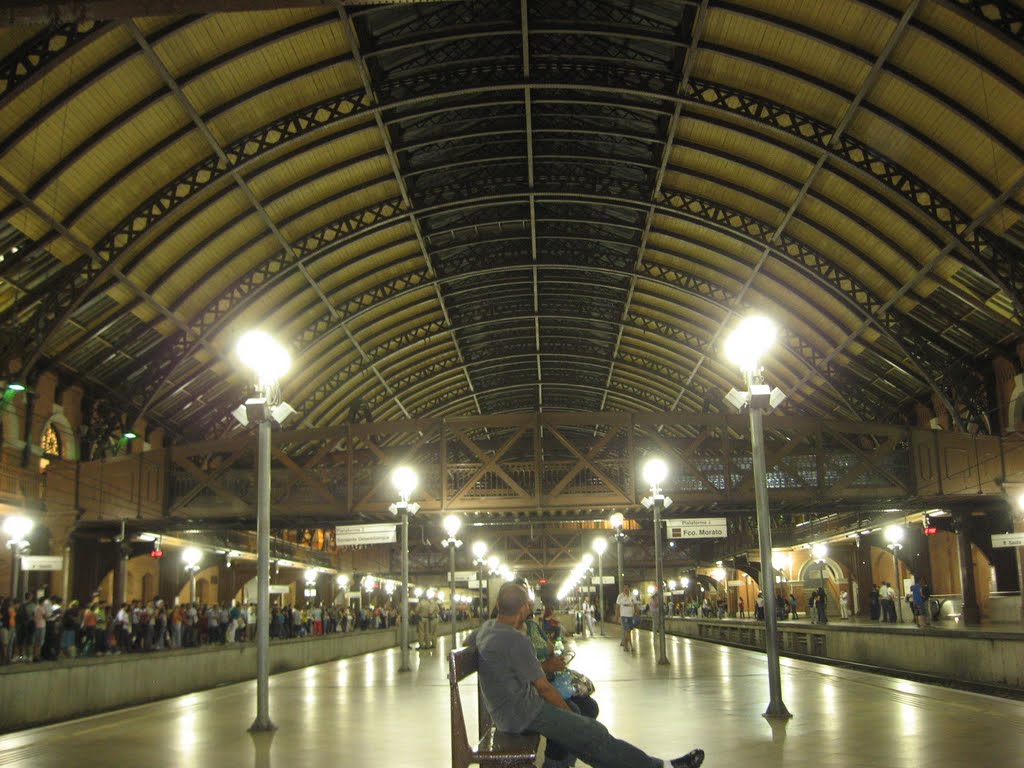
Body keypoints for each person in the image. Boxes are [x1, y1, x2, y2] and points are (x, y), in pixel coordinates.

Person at [474, 583, 704, 768]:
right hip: (521, 714)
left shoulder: (488, 629)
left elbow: (476, 646)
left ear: (499, 606)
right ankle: (660, 767)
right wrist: (571, 718)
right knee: (590, 730)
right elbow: (543, 688)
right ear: (524, 608)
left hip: (509, 710)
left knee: (581, 731)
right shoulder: (515, 639)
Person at [614, 586, 635, 652]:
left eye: (627, 588)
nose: (626, 590)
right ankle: (630, 645)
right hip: (624, 615)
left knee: (628, 631)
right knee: (627, 630)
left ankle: (626, 646)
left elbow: (635, 604)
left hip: (631, 615)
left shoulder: (632, 595)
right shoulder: (620, 596)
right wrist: (617, 616)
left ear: (629, 589)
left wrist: (637, 613)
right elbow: (617, 606)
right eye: (625, 589)